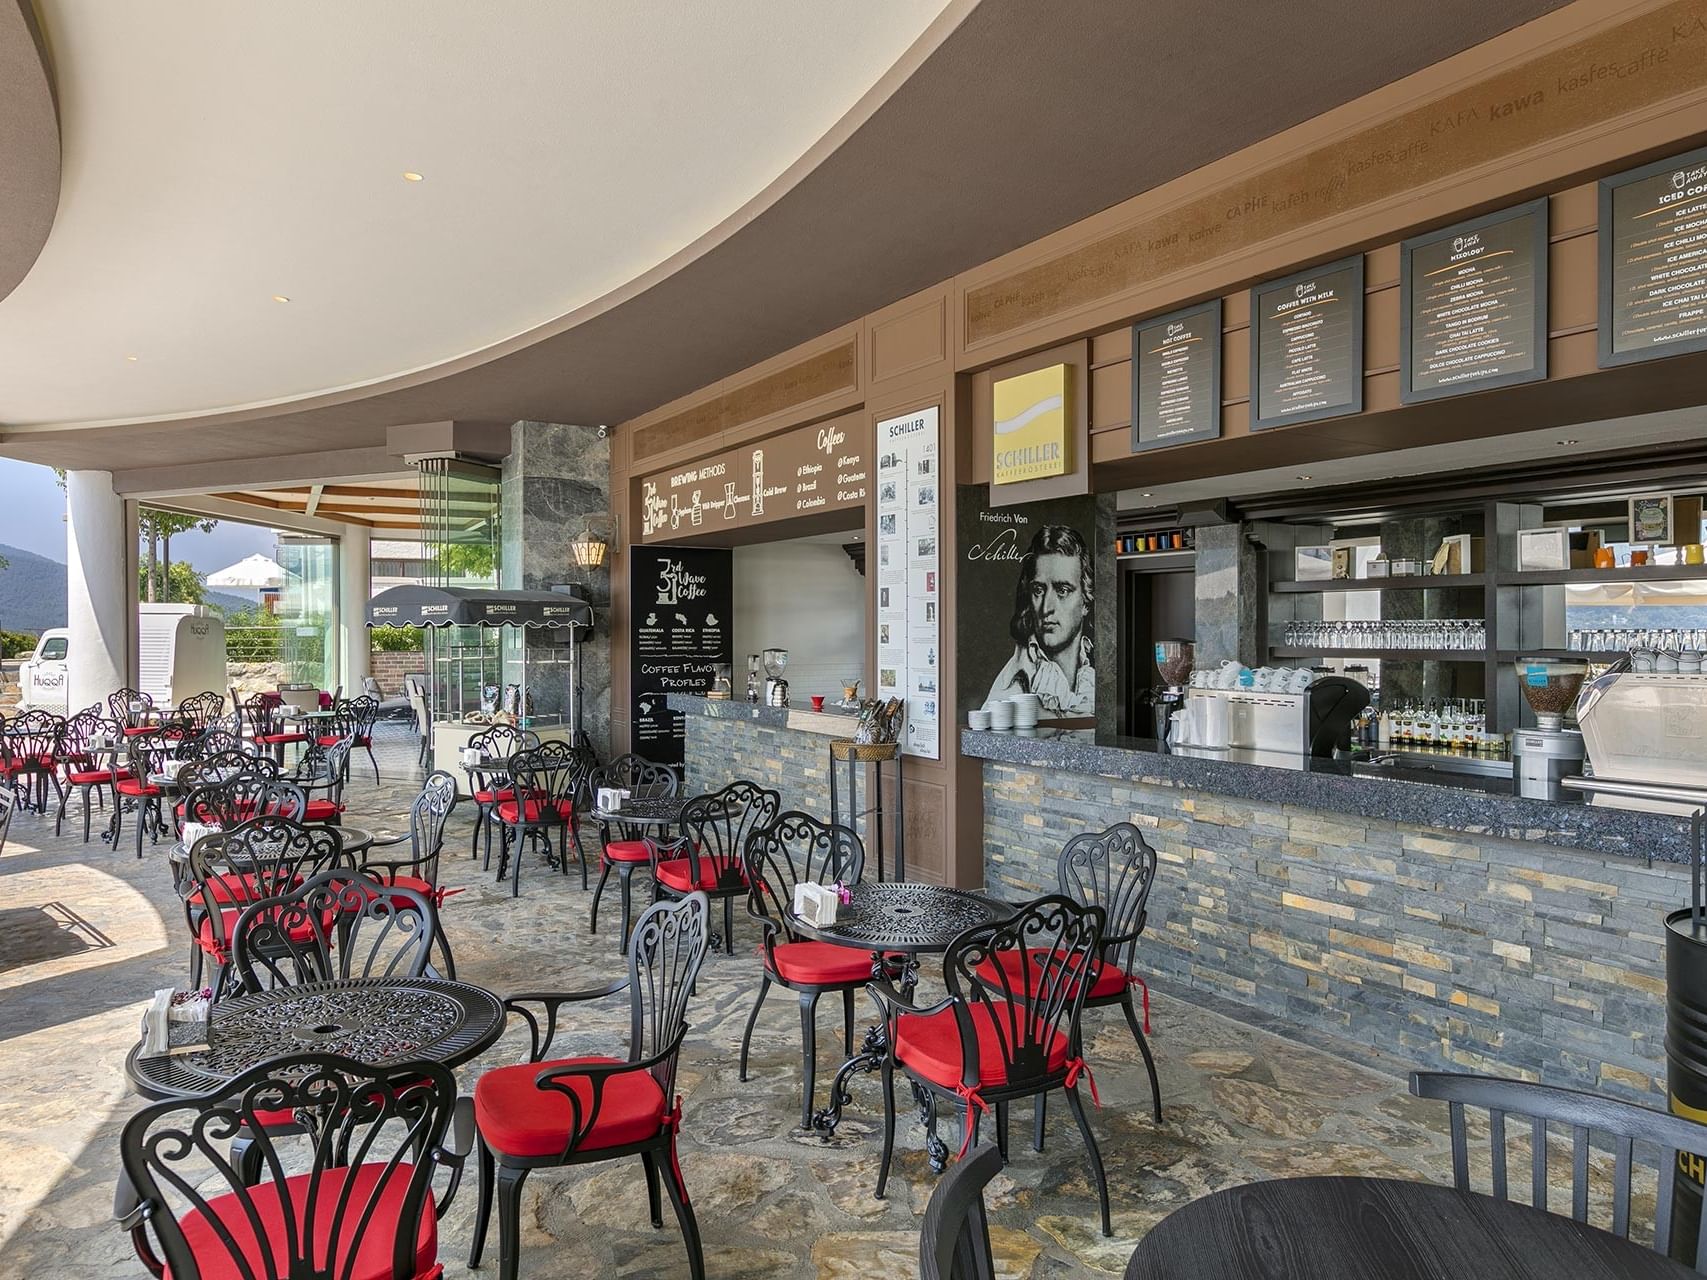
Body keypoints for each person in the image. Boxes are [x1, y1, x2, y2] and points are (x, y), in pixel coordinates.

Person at [985, 524, 1095, 715]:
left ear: (1086, 602)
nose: (1046, 608)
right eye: (1038, 590)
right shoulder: (1012, 687)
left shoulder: (1095, 673)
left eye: (1062, 591)